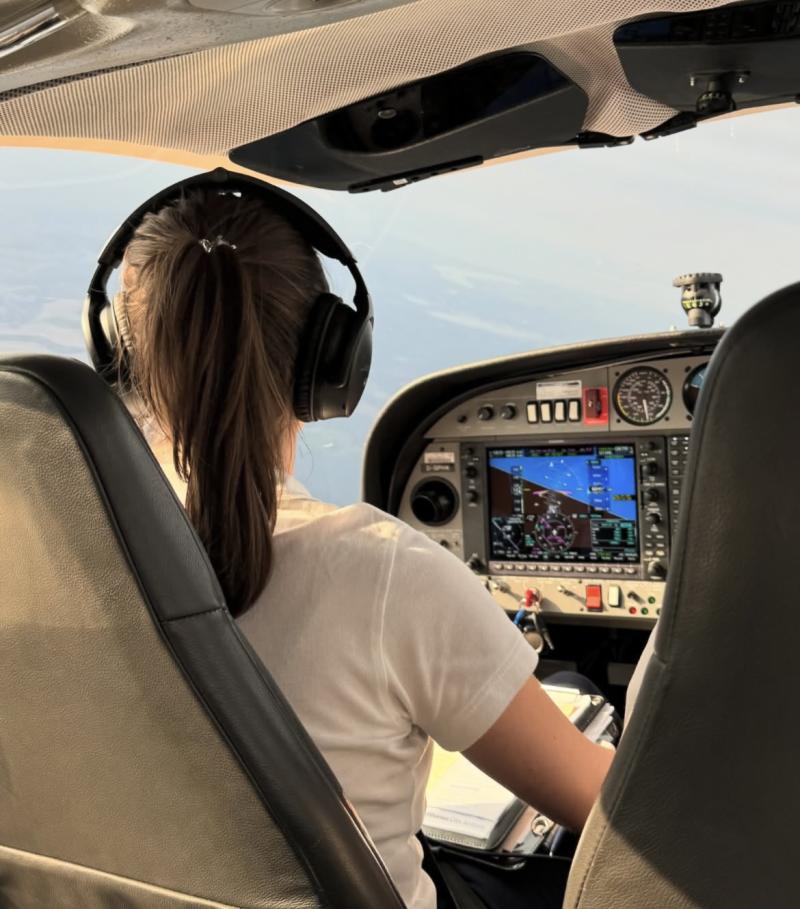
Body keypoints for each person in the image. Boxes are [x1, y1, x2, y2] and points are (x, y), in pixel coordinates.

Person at [110, 185, 614, 909]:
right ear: (332, 366)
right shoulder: (388, 575)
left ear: (116, 351)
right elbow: (602, 804)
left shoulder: (53, 557)